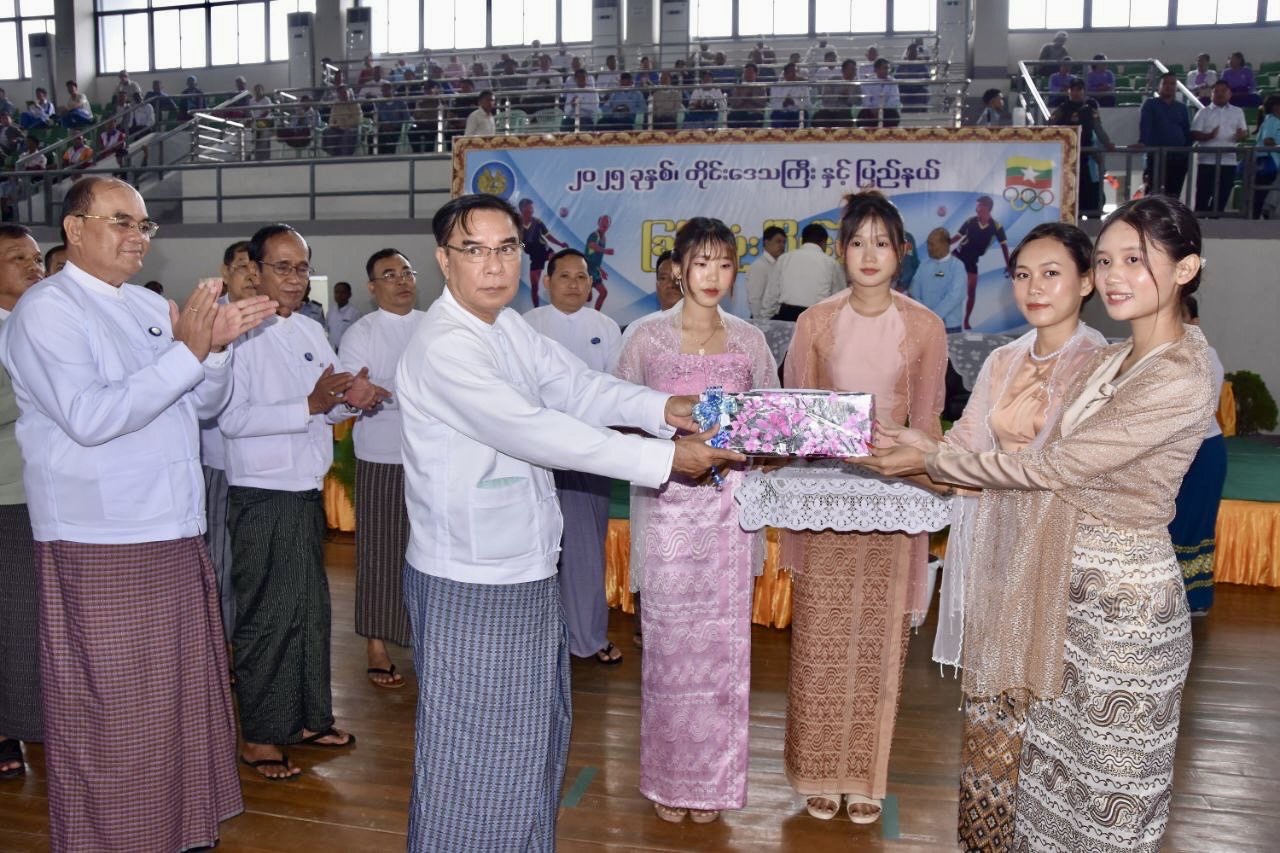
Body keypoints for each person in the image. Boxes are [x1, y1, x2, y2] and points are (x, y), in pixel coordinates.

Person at [863, 194, 1215, 853]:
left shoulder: (1181, 374)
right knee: (1047, 793)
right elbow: (1007, 456)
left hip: (1125, 610)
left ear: (1186, 268)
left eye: (1135, 260)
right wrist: (916, 449)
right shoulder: (1111, 360)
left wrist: (929, 458)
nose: (1114, 275)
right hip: (1059, 595)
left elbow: (1056, 466)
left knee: (1108, 796)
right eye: (1106, 259)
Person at [394, 193, 744, 851]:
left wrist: (664, 407)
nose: (494, 265)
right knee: (474, 755)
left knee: (533, 740)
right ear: (444, 259)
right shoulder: (444, 346)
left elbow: (579, 387)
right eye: (475, 249)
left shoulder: (506, 328)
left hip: (525, 566)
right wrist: (667, 458)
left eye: (506, 248)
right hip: (470, 576)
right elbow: (536, 430)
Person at [0, 176, 274, 849]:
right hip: (102, 535)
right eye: (120, 221)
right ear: (74, 229)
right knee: (116, 708)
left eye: (144, 225)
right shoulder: (47, 309)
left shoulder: (146, 306)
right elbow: (91, 417)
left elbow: (199, 404)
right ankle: (116, 836)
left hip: (171, 526)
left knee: (178, 698)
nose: (137, 236)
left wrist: (213, 350)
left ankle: (179, 828)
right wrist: (187, 352)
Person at [921, 223, 1107, 848]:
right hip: (998, 547)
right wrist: (913, 451)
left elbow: (1064, 467)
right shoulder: (1004, 359)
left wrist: (941, 462)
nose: (1034, 288)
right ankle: (987, 838)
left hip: (1063, 554)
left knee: (1052, 714)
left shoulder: (1100, 365)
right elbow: (966, 441)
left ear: (1087, 282)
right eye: (1023, 275)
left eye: (1052, 274)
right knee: (993, 708)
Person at [783, 191, 947, 825]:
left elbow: (927, 421)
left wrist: (912, 469)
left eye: (882, 242)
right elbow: (798, 414)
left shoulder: (925, 326)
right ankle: (818, 773)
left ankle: (865, 775)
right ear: (841, 252)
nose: (869, 254)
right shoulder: (814, 323)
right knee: (820, 637)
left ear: (901, 252)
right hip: (826, 495)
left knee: (879, 641)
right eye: (857, 242)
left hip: (893, 498)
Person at [613, 218, 777, 825]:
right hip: (666, 507)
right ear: (678, 268)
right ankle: (667, 779)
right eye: (701, 262)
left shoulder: (749, 341)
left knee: (723, 653)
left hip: (728, 515)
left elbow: (771, 417)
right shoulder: (645, 337)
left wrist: (751, 443)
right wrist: (667, 439)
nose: (712, 275)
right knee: (666, 650)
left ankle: (712, 785)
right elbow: (618, 412)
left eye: (724, 263)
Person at [220, 223, 386, 781]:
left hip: (304, 488)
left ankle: (309, 719)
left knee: (308, 613)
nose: (294, 279)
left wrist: (353, 400)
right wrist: (311, 405)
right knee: (267, 616)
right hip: (263, 491)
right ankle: (260, 736)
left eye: (301, 268)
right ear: (254, 270)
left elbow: (326, 403)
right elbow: (231, 419)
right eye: (282, 267)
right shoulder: (236, 331)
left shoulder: (311, 329)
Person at [524, 249, 625, 664]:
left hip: (590, 450)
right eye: (564, 276)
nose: (573, 284)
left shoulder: (606, 328)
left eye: (581, 277)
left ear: (591, 284)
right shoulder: (527, 326)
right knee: (535, 546)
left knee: (584, 547)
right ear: (547, 282)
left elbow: (616, 390)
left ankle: (589, 637)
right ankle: (539, 640)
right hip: (535, 451)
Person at [338, 248, 425, 689]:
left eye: (406, 272)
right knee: (380, 552)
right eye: (389, 275)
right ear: (372, 288)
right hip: (382, 456)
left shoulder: (435, 324)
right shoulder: (362, 332)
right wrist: (404, 390)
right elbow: (355, 389)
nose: (401, 280)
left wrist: (388, 389)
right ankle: (376, 644)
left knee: (430, 551)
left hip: (433, 458)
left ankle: (426, 638)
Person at [0, 224, 44, 781]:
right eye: (18, 258)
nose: (34, 267)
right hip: (7, 492)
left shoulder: (39, 322)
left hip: (49, 491)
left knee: (35, 617)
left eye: (36, 257)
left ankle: (31, 714)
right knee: (12, 614)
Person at [201, 240, 259, 640]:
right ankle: (220, 648)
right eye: (242, 267)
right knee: (220, 561)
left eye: (257, 268)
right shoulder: (208, 321)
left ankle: (250, 647)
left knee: (255, 565)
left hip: (264, 469)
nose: (251, 276)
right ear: (225, 273)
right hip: (221, 461)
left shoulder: (275, 321)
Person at [1170, 295, 1226, 614]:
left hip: (1202, 452)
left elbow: (1202, 409)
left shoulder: (1206, 355)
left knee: (1193, 524)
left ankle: (1194, 599)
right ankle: (1166, 597)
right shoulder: (1155, 356)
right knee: (1168, 524)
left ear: (1195, 322)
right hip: (1168, 453)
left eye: (1181, 318)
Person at [761, 221, 847, 321]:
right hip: (815, 318)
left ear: (802, 240)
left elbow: (772, 295)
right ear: (824, 242)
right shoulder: (831, 263)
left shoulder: (785, 259)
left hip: (786, 315)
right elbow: (839, 298)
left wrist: (764, 319)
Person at [951, 195, 1011, 329]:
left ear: (986, 208)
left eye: (979, 206)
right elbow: (957, 237)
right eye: (977, 206)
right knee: (949, 286)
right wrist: (943, 243)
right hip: (958, 256)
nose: (976, 209)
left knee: (971, 292)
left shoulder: (996, 227)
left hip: (972, 261)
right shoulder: (970, 221)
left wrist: (1008, 264)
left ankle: (966, 321)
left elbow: (1004, 246)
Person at [1190, 80, 1247, 213]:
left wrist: (1241, 136)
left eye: (1223, 91)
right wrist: (1209, 136)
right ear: (1211, 94)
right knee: (1203, 193)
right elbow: (1194, 133)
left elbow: (1243, 133)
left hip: (1229, 161)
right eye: (1216, 91)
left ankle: (1215, 219)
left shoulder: (1238, 111)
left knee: (1223, 193)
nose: (1220, 94)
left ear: (1229, 94)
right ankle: (1201, 219)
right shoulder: (1203, 112)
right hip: (1207, 161)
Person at [1139, 72, 1192, 199]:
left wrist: (1186, 152)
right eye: (1165, 83)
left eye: (1172, 83)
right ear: (1159, 86)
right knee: (1153, 194)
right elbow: (1145, 126)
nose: (1169, 86)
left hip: (1178, 157)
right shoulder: (1150, 105)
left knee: (1173, 195)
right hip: (1156, 157)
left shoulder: (1182, 108)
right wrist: (1142, 142)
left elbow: (1186, 131)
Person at [909, 227, 967, 332]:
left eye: (932, 244)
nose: (928, 248)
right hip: (925, 325)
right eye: (928, 244)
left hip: (949, 327)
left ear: (945, 244)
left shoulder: (957, 266)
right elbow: (913, 292)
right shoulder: (923, 266)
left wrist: (935, 316)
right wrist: (926, 315)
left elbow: (955, 296)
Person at [517, 198, 568, 308]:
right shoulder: (517, 225)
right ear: (522, 209)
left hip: (544, 249)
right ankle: (536, 309)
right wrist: (524, 247)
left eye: (532, 208)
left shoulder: (538, 222)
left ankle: (557, 284)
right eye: (529, 208)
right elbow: (517, 241)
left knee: (555, 261)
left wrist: (560, 244)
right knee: (534, 286)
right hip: (535, 256)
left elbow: (548, 236)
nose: (531, 210)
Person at [745, 224, 787, 318]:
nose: (782, 245)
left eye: (784, 242)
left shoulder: (779, 265)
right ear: (766, 242)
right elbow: (754, 298)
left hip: (775, 317)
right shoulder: (759, 266)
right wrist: (759, 322)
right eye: (778, 241)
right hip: (761, 319)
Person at [1254, 94, 1280, 218]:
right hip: (1269, 162)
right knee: (1263, 192)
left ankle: (1267, 210)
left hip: (1275, 163)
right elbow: (1267, 140)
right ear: (1275, 107)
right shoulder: (1272, 121)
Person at [857, 57, 901, 127]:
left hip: (886, 110)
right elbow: (866, 100)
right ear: (876, 69)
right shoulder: (868, 82)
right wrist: (873, 110)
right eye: (885, 68)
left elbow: (894, 99)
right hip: (871, 111)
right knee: (863, 115)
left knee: (893, 115)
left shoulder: (893, 82)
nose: (887, 70)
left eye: (888, 68)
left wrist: (882, 110)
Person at [584, 214, 613, 310]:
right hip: (587, 269)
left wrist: (601, 271)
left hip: (595, 270)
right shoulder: (594, 235)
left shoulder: (604, 238)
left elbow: (596, 258)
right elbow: (592, 245)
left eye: (607, 222)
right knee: (588, 298)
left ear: (609, 225)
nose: (605, 223)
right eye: (603, 221)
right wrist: (605, 251)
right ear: (598, 223)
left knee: (603, 293)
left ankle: (595, 315)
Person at [768, 62, 809, 129]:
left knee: (803, 114)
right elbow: (773, 103)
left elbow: (806, 103)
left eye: (795, 72)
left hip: (797, 112)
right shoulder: (776, 86)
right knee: (776, 115)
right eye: (791, 72)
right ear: (785, 74)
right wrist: (783, 104)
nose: (794, 74)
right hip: (781, 112)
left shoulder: (803, 86)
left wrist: (794, 102)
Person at [727, 63, 769, 128]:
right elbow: (733, 104)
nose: (747, 74)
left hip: (755, 112)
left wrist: (752, 98)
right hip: (739, 112)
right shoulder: (738, 87)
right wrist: (743, 99)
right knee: (732, 116)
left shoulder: (761, 87)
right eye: (746, 72)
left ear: (756, 74)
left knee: (756, 118)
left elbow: (763, 103)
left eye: (750, 72)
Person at [326, 280, 361, 351]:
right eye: (337, 292)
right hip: (331, 350)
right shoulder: (330, 312)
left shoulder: (355, 313)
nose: (339, 295)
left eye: (343, 292)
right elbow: (327, 330)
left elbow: (358, 335)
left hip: (347, 350)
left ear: (349, 294)